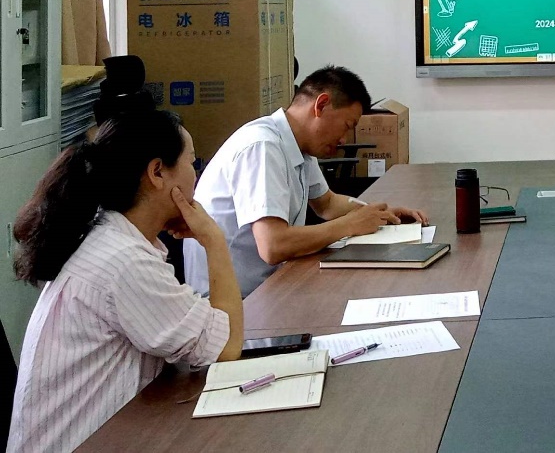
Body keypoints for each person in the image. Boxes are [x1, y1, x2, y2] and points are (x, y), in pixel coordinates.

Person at [8, 111, 243, 453]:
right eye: (192, 162)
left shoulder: (109, 237)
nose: (196, 173)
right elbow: (227, 349)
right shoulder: (124, 262)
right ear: (157, 172)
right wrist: (215, 241)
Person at [185, 66, 428, 297]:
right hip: (233, 302)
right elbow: (273, 246)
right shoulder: (263, 147)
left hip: (269, 286)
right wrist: (350, 225)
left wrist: (379, 214)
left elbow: (327, 203)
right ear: (321, 105)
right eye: (347, 126)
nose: (344, 140)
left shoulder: (298, 145)